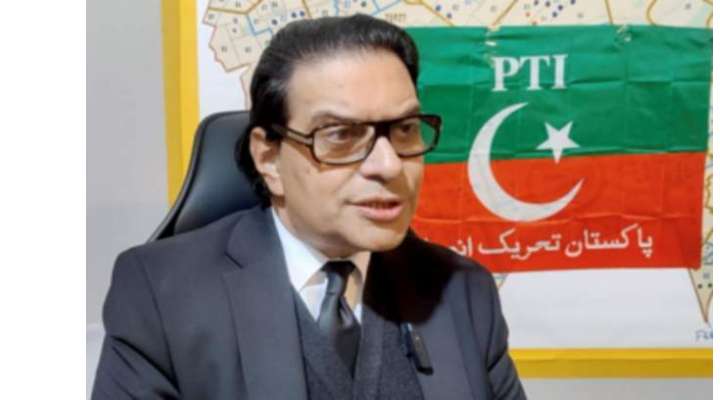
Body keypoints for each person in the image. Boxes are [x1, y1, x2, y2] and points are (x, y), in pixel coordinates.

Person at [92, 14, 525, 400]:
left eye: (405, 129)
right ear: (269, 158)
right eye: (341, 135)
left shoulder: (463, 291)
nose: (390, 165)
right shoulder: (161, 294)